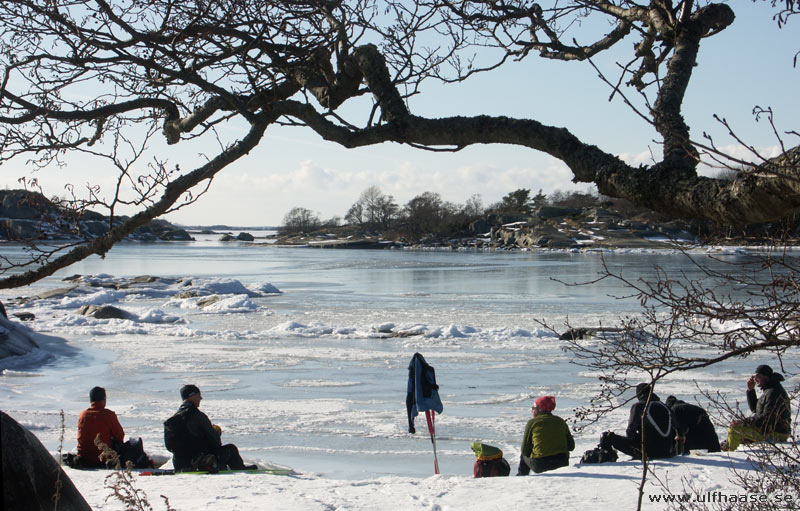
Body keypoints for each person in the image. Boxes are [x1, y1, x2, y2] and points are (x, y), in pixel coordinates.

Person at [167, 384, 256, 472]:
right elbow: (215, 441)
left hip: (180, 464)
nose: (201, 398)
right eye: (199, 395)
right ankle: (241, 470)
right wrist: (216, 432)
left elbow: (170, 446)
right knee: (231, 449)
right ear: (192, 396)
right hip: (201, 463)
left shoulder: (173, 419)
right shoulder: (198, 416)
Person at [600, 383, 678, 460]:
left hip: (648, 452)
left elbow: (630, 432)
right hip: (667, 451)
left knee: (607, 436)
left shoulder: (639, 406)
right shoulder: (666, 407)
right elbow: (678, 428)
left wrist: (635, 443)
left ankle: (607, 457)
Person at [724, 364, 792, 451]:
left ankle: (731, 456)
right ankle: (728, 449)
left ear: (766, 377)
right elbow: (756, 409)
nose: (755, 379)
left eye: (758, 376)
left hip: (776, 432)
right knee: (728, 441)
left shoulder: (773, 392)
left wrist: (744, 422)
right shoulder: (770, 389)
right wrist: (751, 390)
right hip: (770, 430)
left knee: (734, 430)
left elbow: (767, 418)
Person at [517, 395, 575, 475]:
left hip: (541, 465)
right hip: (562, 463)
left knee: (523, 455)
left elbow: (524, 450)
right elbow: (571, 447)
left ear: (540, 409)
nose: (532, 410)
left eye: (534, 408)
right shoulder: (560, 421)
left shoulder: (532, 422)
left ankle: (521, 477)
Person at [76, 386, 125, 467]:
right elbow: (120, 436)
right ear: (104, 399)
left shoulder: (82, 415)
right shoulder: (108, 415)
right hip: (103, 459)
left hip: (84, 458)